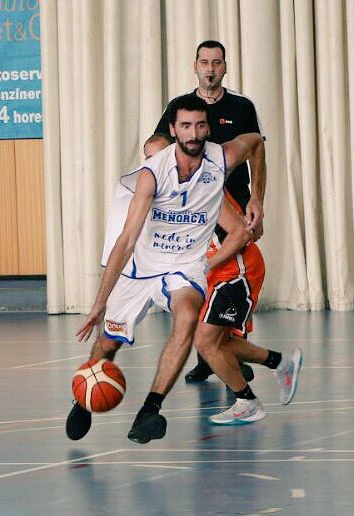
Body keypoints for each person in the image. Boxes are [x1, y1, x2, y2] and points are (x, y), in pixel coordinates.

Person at [66, 94, 264, 444]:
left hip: (185, 266)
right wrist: (100, 302)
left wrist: (257, 197)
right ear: (173, 130)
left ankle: (150, 410)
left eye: (200, 125)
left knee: (187, 316)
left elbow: (257, 143)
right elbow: (126, 241)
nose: (194, 133)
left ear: (207, 128)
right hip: (142, 264)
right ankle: (83, 397)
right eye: (185, 126)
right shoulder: (152, 175)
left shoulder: (221, 158)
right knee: (109, 343)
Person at [145, 135, 302, 425]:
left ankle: (247, 402)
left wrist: (203, 265)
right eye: (149, 160)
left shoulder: (203, 186)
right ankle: (281, 362)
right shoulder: (163, 194)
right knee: (220, 343)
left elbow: (241, 235)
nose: (154, 166)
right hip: (217, 274)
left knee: (204, 342)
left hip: (237, 269)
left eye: (160, 158)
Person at [155, 40, 267, 383]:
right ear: (195, 66)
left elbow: (258, 152)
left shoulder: (242, 106)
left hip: (234, 207)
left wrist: (257, 199)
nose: (210, 68)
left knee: (238, 278)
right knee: (201, 277)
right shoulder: (182, 107)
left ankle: (231, 350)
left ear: (225, 67)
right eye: (204, 62)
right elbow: (156, 144)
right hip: (197, 211)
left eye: (216, 62)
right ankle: (209, 355)